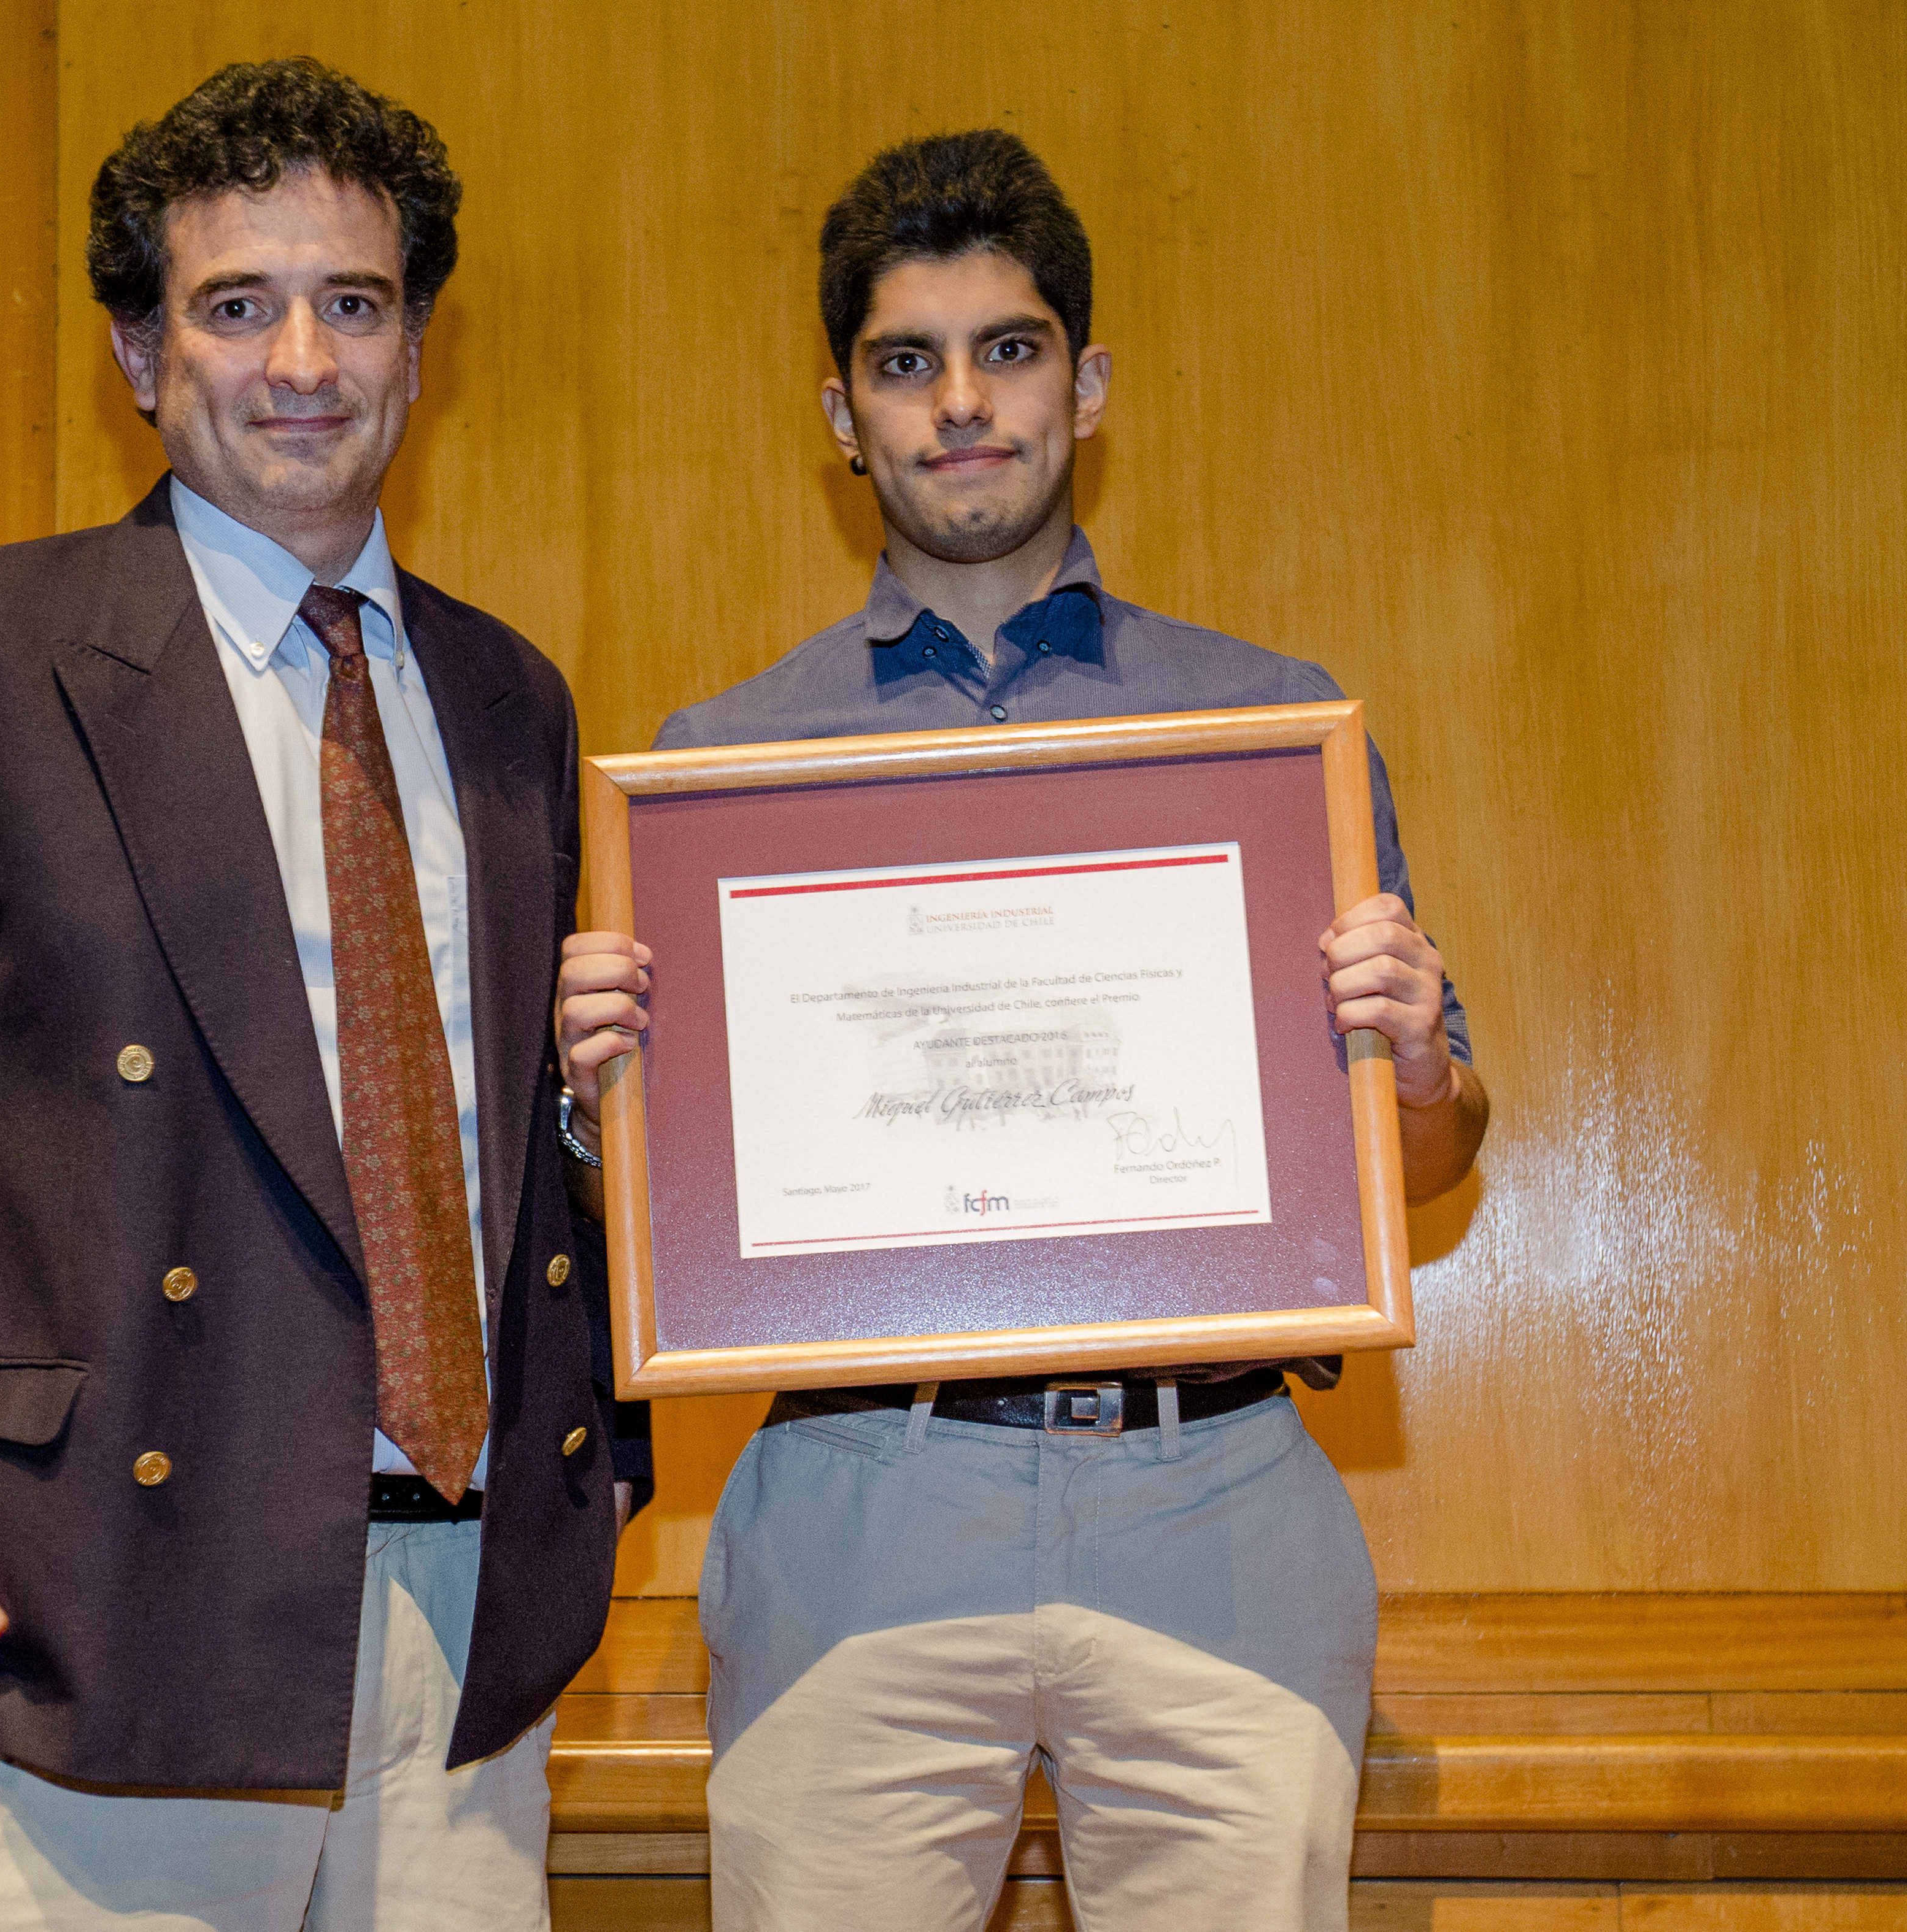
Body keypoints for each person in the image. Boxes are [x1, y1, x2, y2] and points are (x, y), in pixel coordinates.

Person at [0, 58, 645, 1931]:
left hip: (470, 1620)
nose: (301, 360)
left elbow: (515, 1133)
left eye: (352, 303)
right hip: (105, 1613)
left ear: (416, 349)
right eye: (237, 306)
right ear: (141, 354)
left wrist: (605, 1440)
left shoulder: (510, 700)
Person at [557, 130, 1488, 1932]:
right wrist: (605, 1107)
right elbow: (654, 1222)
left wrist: (1424, 1065)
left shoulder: (1270, 731)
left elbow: (1425, 1168)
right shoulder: (714, 770)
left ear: (1088, 384)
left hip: (1217, 1496)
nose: (962, 403)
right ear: (843, 415)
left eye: (1010, 349)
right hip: (858, 1497)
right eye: (906, 362)